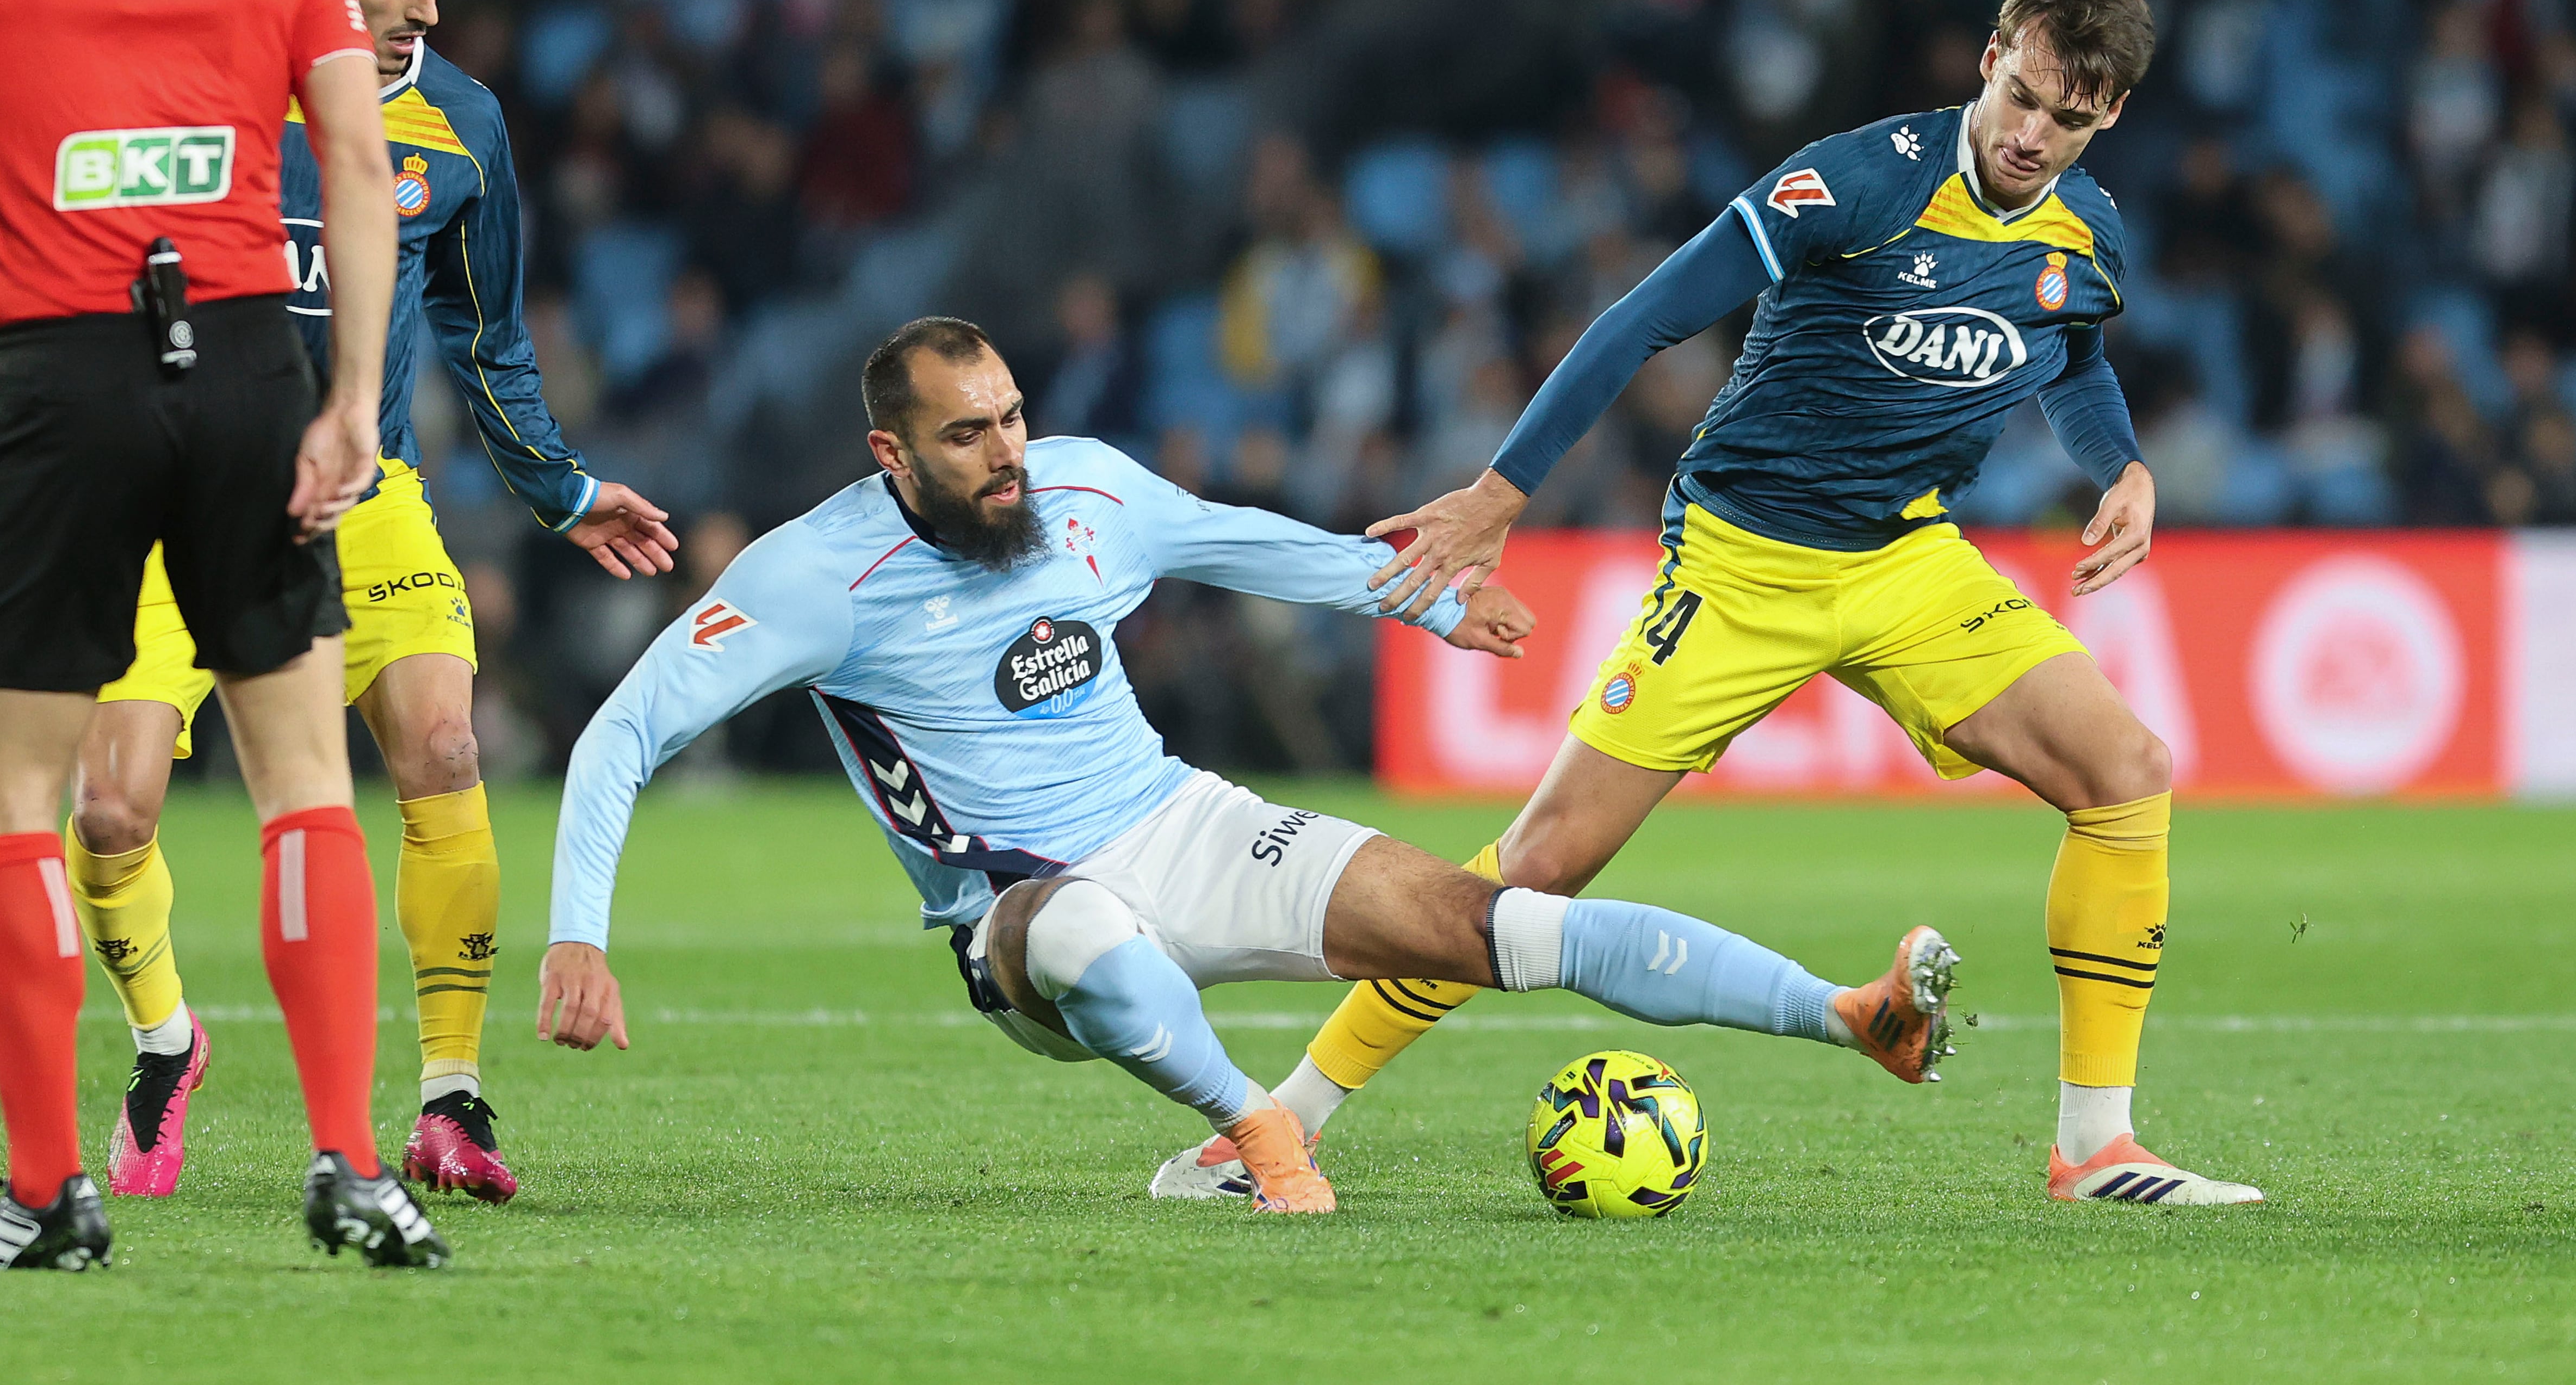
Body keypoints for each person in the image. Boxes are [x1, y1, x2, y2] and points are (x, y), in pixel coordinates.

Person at [1157, 0, 2262, 1208]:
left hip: (1907, 558)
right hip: (1743, 562)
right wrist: (1500, 493)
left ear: (2110, 113)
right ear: (1992, 51)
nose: (2033, 135)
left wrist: (2120, 465)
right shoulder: (1858, 179)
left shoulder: (2087, 230)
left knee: (2127, 770)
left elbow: (2067, 347)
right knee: (1534, 872)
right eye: (2024, 95)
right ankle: (1268, 1126)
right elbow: (1641, 315)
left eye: (2070, 118)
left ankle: (2096, 1148)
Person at [537, 318, 1962, 1212]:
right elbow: (624, 731)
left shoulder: (1087, 488)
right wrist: (580, 933)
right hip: (1018, 910)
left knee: (1488, 921)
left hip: (1181, 821)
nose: (1007, 452)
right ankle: (1255, 1133)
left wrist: (1426, 593)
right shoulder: (811, 574)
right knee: (1086, 926)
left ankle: (1849, 1016)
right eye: (967, 433)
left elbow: (1243, 540)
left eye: (1013, 414)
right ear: (889, 450)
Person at [0, 0, 676, 1207]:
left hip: (366, 493)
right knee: (108, 807)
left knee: (448, 743)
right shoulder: (178, 62)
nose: (429, 6)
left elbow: (487, 333)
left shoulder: (460, 121)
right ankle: (166, 1042)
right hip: (173, 495)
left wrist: (559, 487)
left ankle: (449, 1099)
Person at [0, 0, 444, 1271]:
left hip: (55, 373)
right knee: (306, 779)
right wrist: (344, 401)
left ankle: (52, 1193)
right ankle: (351, 1165)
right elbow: (351, 157)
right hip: (256, 365)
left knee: (8, 793)